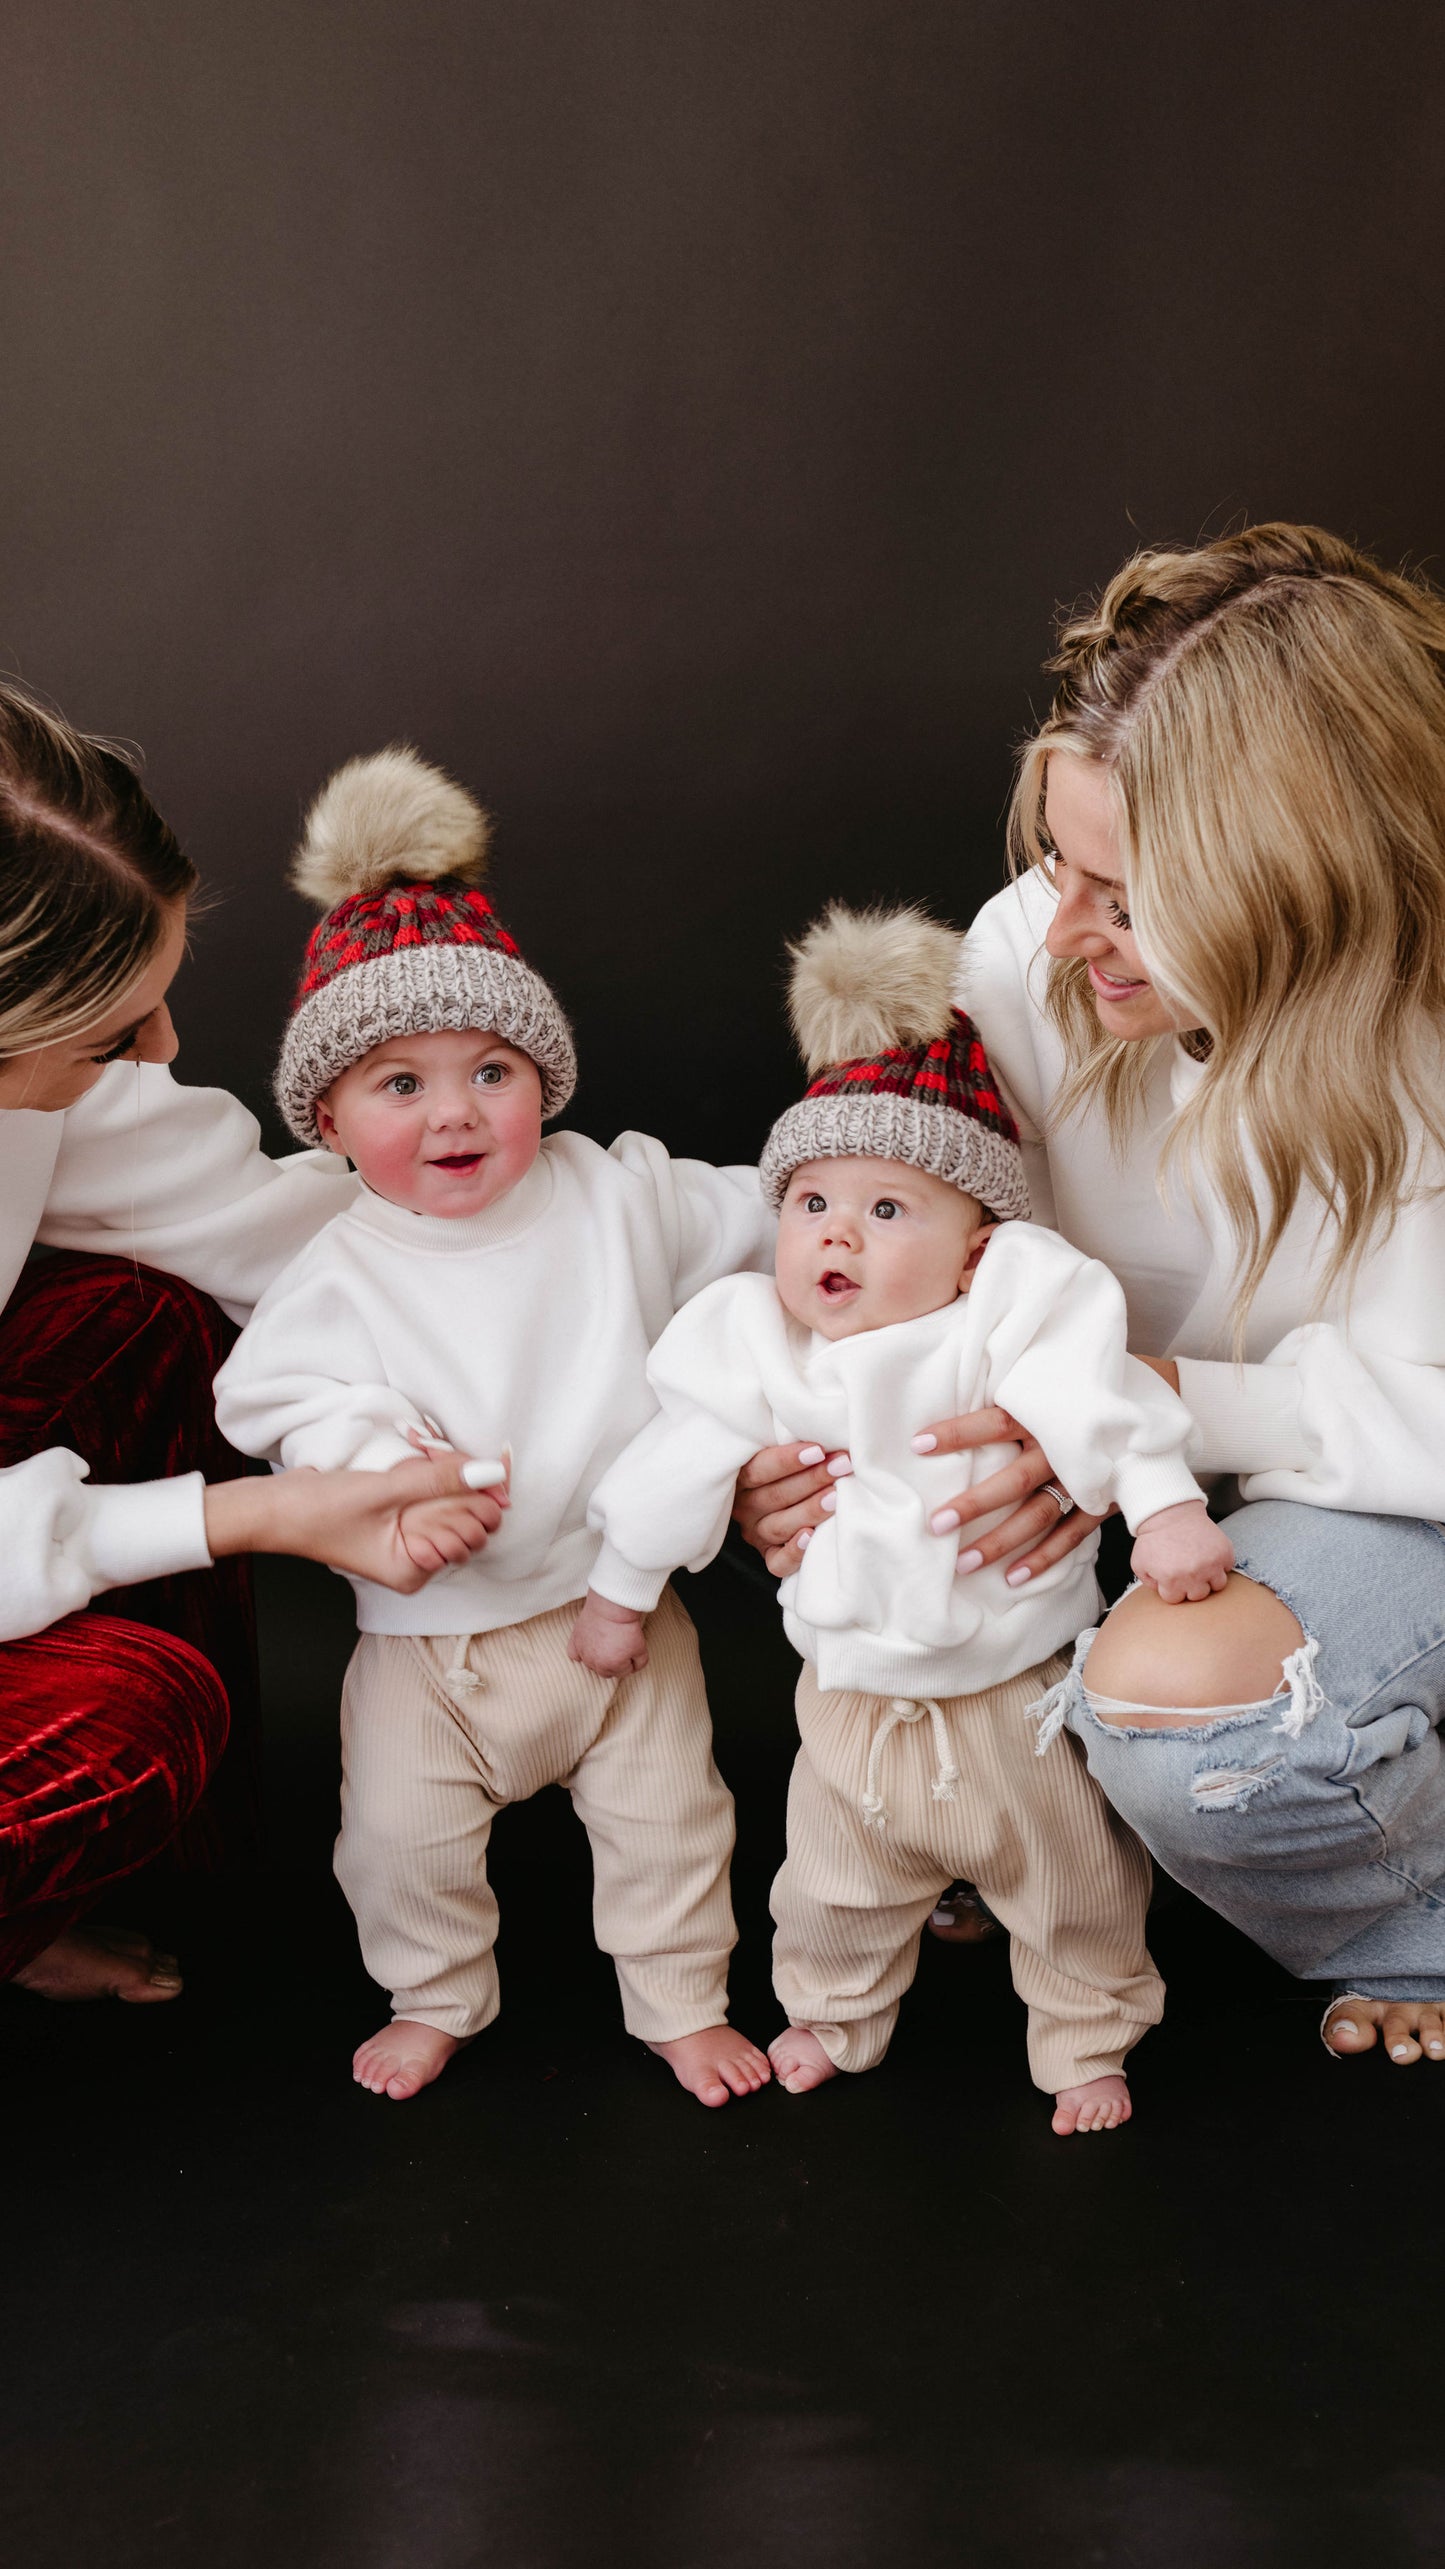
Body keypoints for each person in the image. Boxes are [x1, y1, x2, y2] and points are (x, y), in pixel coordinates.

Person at [735, 523, 1445, 2070]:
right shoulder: (1031, 956)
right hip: (1174, 1488)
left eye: (1122, 892)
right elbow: (916, 1262)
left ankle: (1413, 1920)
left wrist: (1152, 1408)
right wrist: (788, 1443)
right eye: (1061, 863)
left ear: (1296, 884)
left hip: (1401, 1489)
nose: (1062, 931)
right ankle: (997, 1816)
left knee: (1184, 1713)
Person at [583, 904, 1234, 2132]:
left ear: (974, 1245)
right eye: (811, 1202)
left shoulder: (1000, 1315)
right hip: (849, 1699)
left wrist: (1160, 1512)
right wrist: (621, 1588)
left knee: (1075, 1883)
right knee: (827, 1886)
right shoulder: (752, 1339)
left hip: (1013, 1693)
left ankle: (1087, 2037)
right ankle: (831, 2017)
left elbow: (1097, 1405)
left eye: (888, 1211)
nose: (834, 1231)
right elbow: (675, 1461)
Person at [215, 746, 778, 2107]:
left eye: (490, 1070)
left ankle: (677, 1996)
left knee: (670, 1823)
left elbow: (768, 1204)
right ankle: (435, 1991)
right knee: (398, 1844)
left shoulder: (615, 1194)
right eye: (398, 1086)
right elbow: (273, 1397)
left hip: (618, 1612)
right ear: (332, 1122)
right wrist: (378, 1472)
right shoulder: (338, 1261)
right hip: (430, 1651)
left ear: (545, 1079)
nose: (453, 1110)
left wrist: (854, 1200)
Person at [0, 687, 507, 2010]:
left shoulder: (45, 1087)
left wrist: (774, 1289)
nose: (161, 1048)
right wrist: (250, 1514)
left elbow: (269, 1226)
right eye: (117, 1029)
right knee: (125, 1726)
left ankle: (112, 1879)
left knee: (143, 1314)